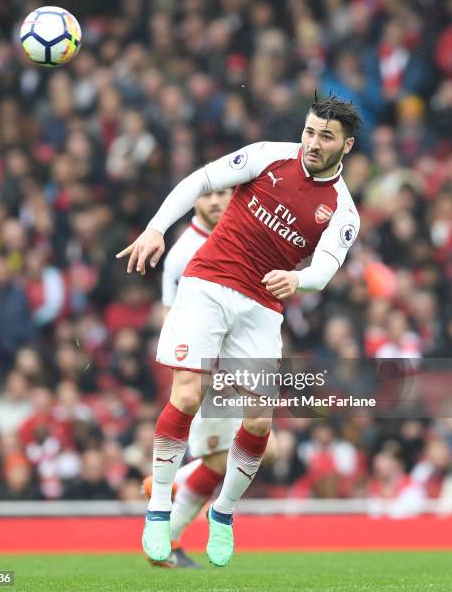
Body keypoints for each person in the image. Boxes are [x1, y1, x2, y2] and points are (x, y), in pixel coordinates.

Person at [117, 95, 362, 567]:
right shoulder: (269, 154)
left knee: (259, 423)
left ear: (345, 146)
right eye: (310, 131)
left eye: (325, 137)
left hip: (262, 307)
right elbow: (201, 180)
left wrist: (298, 279)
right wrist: (155, 228)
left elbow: (326, 268)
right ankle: (158, 507)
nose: (312, 142)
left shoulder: (343, 210)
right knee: (186, 395)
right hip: (208, 282)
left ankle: (223, 515)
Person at [145, 188, 279, 568]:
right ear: (195, 202)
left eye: (225, 193)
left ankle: (173, 489)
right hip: (213, 370)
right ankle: (169, 531)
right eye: (209, 196)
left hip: (237, 362)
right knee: (232, 456)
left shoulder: (240, 237)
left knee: (260, 449)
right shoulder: (184, 253)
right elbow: (177, 319)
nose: (218, 202)